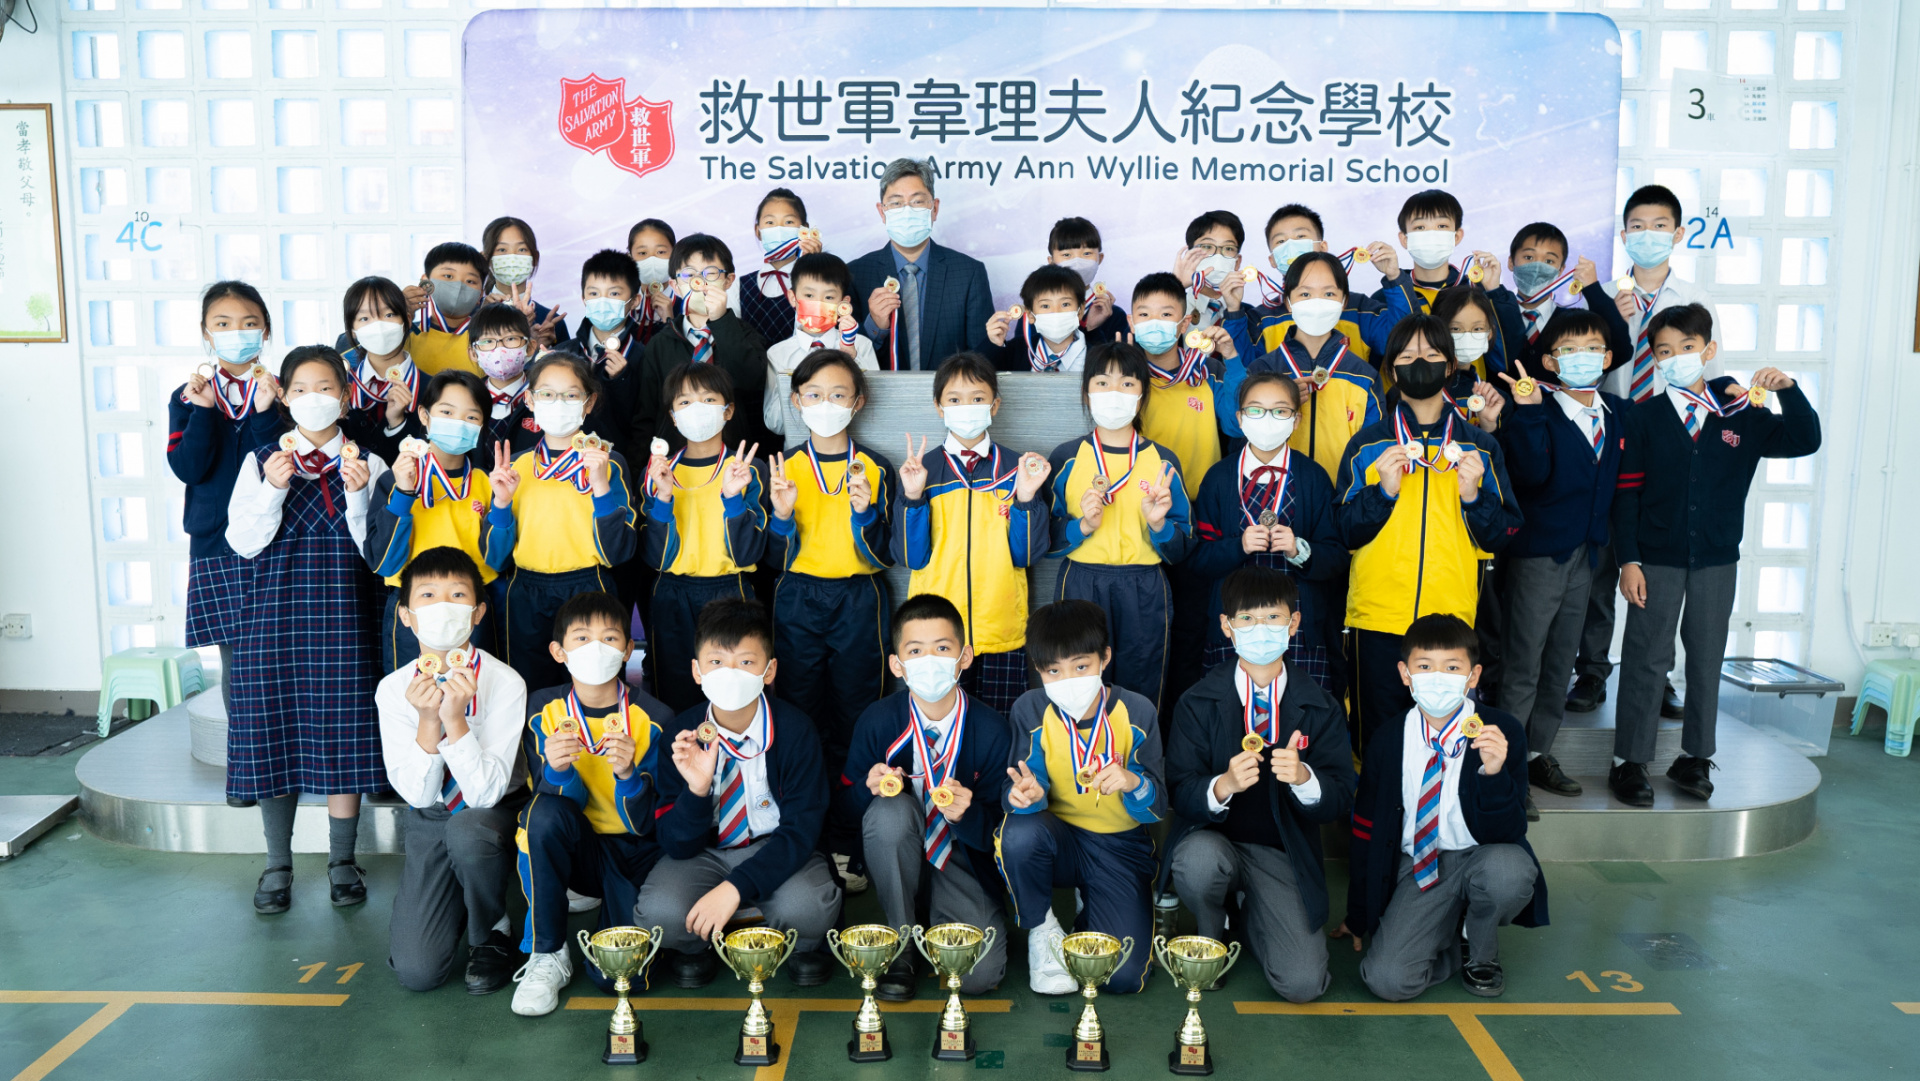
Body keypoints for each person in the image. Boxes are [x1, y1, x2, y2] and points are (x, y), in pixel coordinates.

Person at [1607, 304, 1821, 806]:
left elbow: (1804, 440)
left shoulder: (1742, 413)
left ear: (1708, 350)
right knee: (1646, 658)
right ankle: (1628, 762)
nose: (1676, 357)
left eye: (1687, 347)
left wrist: (1788, 390)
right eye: (1664, 351)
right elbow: (1627, 494)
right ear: (1654, 359)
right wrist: (1628, 560)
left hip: (1718, 560)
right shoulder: (1643, 417)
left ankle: (1695, 758)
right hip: (1655, 560)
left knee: (1706, 657)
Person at [224, 345, 388, 914]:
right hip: (274, 619)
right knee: (276, 732)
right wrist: (273, 488)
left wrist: (360, 495)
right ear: (284, 397)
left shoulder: (371, 463)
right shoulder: (262, 460)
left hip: (346, 616)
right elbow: (242, 542)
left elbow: (380, 555)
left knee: (344, 732)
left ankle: (342, 859)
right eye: (300, 389)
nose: (312, 398)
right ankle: (278, 863)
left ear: (344, 398)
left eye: (325, 388)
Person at [1164, 566, 1356, 1002]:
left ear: (1294, 623)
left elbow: (1341, 795)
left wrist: (1306, 779)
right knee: (1197, 862)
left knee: (1303, 984)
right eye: (1247, 619)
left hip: (1281, 852)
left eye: (1273, 618)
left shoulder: (1321, 705)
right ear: (1226, 626)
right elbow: (1179, 788)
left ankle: (1250, 917)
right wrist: (1223, 785)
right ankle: (1213, 928)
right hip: (1213, 842)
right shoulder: (1197, 701)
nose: (1261, 629)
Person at [1335, 315, 1522, 749]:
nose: (1420, 362)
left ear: (1451, 366)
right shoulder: (1366, 446)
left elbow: (1504, 534)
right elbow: (1343, 530)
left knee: (1446, 739)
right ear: (1391, 369)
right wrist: (1382, 493)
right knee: (1375, 741)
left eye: (1432, 354)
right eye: (1407, 356)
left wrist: (1473, 497)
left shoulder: (1480, 446)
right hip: (1377, 618)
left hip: (1451, 623)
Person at [638, 598, 843, 989]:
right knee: (660, 914)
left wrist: (734, 887)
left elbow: (802, 831)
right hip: (704, 854)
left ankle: (796, 942)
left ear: (769, 670)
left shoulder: (796, 730)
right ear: (697, 671)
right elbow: (675, 844)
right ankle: (697, 946)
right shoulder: (681, 734)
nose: (730, 673)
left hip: (775, 847)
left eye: (746, 662)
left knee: (809, 909)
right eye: (716, 662)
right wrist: (697, 790)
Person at [1340, 614, 1546, 1001]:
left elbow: (1509, 831)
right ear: (1405, 674)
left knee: (1508, 871)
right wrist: (1358, 914)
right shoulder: (1388, 739)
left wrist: (1493, 773)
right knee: (1387, 980)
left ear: (1473, 675)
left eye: (1452, 668)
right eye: (1424, 666)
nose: (1437, 678)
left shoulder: (1502, 731)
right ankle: (1449, 938)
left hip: (1481, 855)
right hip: (1420, 864)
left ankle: (1479, 944)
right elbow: (1365, 828)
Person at [1570, 185, 1719, 718]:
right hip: (1609, 437)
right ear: (1624, 234)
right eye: (1637, 226)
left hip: (1667, 442)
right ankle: (1592, 670)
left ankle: (1658, 677)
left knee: (1660, 564)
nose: (1648, 234)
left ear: (1677, 234)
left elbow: (1708, 378)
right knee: (1601, 558)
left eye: (1659, 226)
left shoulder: (1695, 300)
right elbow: (1583, 366)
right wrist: (1615, 318)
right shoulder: (1605, 294)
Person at [512, 591, 673, 1015]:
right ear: (558, 651)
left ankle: (615, 911)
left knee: (619, 978)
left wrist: (628, 777)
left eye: (609, 638)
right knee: (540, 814)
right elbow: (551, 808)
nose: (596, 648)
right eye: (582, 638)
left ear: (628, 649)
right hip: (579, 849)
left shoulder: (656, 717)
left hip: (636, 852)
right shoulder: (541, 710)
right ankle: (547, 952)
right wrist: (559, 772)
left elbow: (648, 823)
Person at [765, 349, 894, 878]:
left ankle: (851, 834)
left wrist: (865, 513)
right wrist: (781, 516)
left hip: (859, 599)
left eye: (838, 394)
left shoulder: (876, 467)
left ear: (857, 402)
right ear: (796, 401)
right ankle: (805, 833)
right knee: (800, 715)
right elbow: (771, 558)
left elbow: (886, 555)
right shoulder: (782, 468)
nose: (826, 404)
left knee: (857, 716)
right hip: (798, 597)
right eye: (814, 394)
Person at [845, 594, 1012, 1000]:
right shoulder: (877, 721)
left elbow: (1003, 829)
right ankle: (902, 945)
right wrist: (868, 791)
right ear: (896, 664)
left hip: (960, 858)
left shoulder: (992, 729)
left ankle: (939, 910)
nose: (929, 661)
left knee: (978, 975)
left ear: (964, 656)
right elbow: (845, 814)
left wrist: (969, 814)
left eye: (942, 648)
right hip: (897, 852)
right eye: (915, 651)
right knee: (889, 812)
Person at [1491, 312, 1626, 816]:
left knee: (1560, 663)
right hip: (1538, 556)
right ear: (1549, 362)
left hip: (1586, 557)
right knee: (1523, 665)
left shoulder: (1618, 412)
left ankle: (1537, 753)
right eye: (1569, 349)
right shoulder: (1537, 409)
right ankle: (1506, 769)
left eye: (1592, 347)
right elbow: (1529, 476)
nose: (1582, 356)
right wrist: (1527, 413)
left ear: (1608, 357)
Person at [376, 546, 527, 995]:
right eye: (427, 595)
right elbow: (418, 796)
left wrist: (455, 721)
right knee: (417, 972)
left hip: (491, 814)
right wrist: (429, 722)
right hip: (431, 815)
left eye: (458, 595)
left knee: (468, 832)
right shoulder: (393, 689)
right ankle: (454, 899)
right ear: (405, 616)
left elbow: (484, 795)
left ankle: (491, 929)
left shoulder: (505, 682)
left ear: (477, 612)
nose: (443, 606)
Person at [998, 600, 1166, 995]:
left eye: (1081, 666)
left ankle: (1090, 908)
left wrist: (1133, 782)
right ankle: (1043, 930)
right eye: (1053, 671)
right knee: (1018, 833)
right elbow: (1016, 789)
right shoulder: (1030, 709)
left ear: (1105, 658)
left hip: (1119, 846)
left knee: (1121, 977)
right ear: (1038, 669)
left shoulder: (1137, 711)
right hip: (1058, 842)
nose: (1068, 679)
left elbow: (1157, 807)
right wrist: (1027, 795)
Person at [892, 353, 1052, 715]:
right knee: (942, 723)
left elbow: (1027, 556)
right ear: (938, 407)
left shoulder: (1016, 468)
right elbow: (910, 557)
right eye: (954, 399)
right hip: (936, 636)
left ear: (995, 405)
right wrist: (913, 497)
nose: (966, 407)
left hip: (1001, 627)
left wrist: (1026, 498)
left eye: (978, 398)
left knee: (1001, 723)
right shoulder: (921, 470)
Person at [1044, 341, 1192, 709]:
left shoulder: (1163, 461)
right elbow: (1043, 538)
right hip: (1081, 581)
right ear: (1087, 392)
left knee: (1141, 686)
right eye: (1102, 383)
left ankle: (1137, 748)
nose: (1114, 394)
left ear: (1142, 395)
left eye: (1127, 384)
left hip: (1144, 586)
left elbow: (1183, 547)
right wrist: (1082, 526)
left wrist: (1159, 526)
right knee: (1078, 683)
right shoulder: (1066, 457)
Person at [481, 353, 639, 692]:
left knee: (596, 688)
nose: (558, 402)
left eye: (570, 394)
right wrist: (502, 503)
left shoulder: (608, 463)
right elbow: (495, 558)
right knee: (529, 689)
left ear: (588, 402)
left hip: (589, 588)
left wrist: (600, 487)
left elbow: (618, 552)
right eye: (547, 394)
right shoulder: (515, 468)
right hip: (526, 592)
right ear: (530, 400)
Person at [1187, 373, 1347, 694]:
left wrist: (1300, 550)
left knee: (1303, 711)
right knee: (1230, 711)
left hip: (1296, 625)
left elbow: (1337, 557)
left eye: (1280, 411)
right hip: (1234, 622)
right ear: (1240, 418)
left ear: (1296, 420)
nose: (1267, 419)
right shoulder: (1219, 478)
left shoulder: (1313, 477)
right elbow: (1197, 558)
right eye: (1256, 410)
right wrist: (1239, 546)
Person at [170, 281, 281, 720]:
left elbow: (279, 462)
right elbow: (189, 469)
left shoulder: (283, 391)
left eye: (249, 323)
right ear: (206, 332)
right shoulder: (188, 396)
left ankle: (283, 748)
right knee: (235, 656)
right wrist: (203, 411)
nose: (237, 332)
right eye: (223, 323)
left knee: (279, 647)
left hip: (274, 535)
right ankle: (244, 751)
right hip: (215, 541)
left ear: (265, 330)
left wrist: (266, 412)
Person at [642, 363, 768, 712]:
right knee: (675, 691)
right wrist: (663, 497)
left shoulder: (747, 470)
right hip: (672, 593)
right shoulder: (658, 471)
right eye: (684, 402)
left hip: (732, 590)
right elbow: (656, 557)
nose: (696, 409)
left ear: (728, 410)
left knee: (734, 691)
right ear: (673, 416)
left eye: (708, 399)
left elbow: (748, 554)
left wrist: (733, 498)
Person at [364, 370, 501, 671]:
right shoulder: (395, 480)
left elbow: (499, 560)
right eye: (447, 412)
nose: (458, 423)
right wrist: (404, 493)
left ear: (481, 426)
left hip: (471, 608)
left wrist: (502, 505)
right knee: (413, 693)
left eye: (471, 416)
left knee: (477, 693)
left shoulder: (487, 483)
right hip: (414, 609)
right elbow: (383, 562)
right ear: (424, 416)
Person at [1245, 252, 1385, 484]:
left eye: (1329, 294)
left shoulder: (1364, 375)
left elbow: (1374, 449)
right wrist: (1280, 404)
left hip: (1345, 497)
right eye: (1305, 294)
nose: (1317, 302)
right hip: (1279, 494)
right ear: (1288, 302)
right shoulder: (1262, 370)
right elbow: (1243, 438)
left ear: (1344, 301)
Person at [633, 234, 774, 458]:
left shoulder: (746, 335)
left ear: (728, 281)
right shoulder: (659, 344)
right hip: (675, 457)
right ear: (675, 286)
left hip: (735, 456)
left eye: (710, 273)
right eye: (689, 274)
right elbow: (647, 414)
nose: (699, 282)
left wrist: (721, 321)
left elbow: (751, 381)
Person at [848, 158, 994, 370]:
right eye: (896, 203)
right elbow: (845, 359)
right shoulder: (855, 274)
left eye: (917, 201)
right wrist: (875, 325)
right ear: (882, 212)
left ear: (934, 209)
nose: (907, 211)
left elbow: (982, 357)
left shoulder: (969, 273)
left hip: (948, 390)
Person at [1127, 271, 1248, 497]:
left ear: (1184, 324)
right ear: (1131, 323)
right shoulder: (1127, 376)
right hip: (1144, 498)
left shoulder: (1207, 370)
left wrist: (1231, 358)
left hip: (1202, 497)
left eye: (1165, 314)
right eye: (1144, 314)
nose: (1154, 322)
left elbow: (1235, 425)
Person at [1484, 221, 1632, 372]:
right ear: (1511, 262)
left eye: (1549, 261)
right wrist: (1490, 291)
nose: (1537, 267)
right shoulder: (1490, 313)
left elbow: (1620, 352)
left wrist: (1593, 289)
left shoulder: (1572, 323)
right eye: (1528, 257)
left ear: (1560, 270)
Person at [762, 252, 878, 439]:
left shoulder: (860, 345)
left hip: (853, 447)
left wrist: (850, 357)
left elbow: (874, 412)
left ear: (844, 304)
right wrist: (802, 382)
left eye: (829, 297)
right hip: (799, 451)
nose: (818, 304)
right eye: (809, 295)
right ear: (793, 297)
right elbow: (774, 423)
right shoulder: (778, 354)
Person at [338, 275, 418, 466]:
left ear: (407, 320)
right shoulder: (339, 388)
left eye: (389, 315)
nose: (378, 326)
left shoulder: (433, 388)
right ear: (353, 331)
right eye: (364, 318)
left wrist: (397, 423)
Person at [738, 187, 824, 346]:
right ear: (758, 231)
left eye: (789, 222)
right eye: (770, 222)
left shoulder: (822, 279)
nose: (778, 229)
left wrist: (814, 270)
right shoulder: (738, 286)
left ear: (804, 229)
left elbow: (822, 333)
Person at [984, 263, 1094, 373]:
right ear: (1030, 315)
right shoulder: (1015, 351)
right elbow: (979, 373)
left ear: (1080, 311)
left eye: (1065, 304)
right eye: (1045, 306)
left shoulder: (1098, 357)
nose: (1055, 312)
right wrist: (994, 343)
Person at [480, 215, 568, 349]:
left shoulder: (550, 323)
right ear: (486, 259)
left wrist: (538, 349)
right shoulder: (471, 313)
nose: (512, 257)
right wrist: (481, 318)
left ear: (535, 258)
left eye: (522, 249)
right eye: (502, 250)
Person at [404, 241, 490, 376]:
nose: (459, 286)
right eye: (448, 276)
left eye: (470, 281)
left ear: (480, 294)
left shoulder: (489, 339)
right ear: (426, 283)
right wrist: (398, 313)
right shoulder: (406, 334)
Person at [1046, 216, 1128, 343]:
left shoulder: (1114, 315)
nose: (1077, 262)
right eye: (1067, 255)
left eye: (1087, 254)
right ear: (1051, 262)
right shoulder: (1037, 313)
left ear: (1100, 259)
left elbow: (1117, 356)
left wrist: (1093, 329)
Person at [626, 217, 678, 347]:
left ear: (675, 255)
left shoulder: (687, 308)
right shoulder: (622, 307)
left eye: (660, 252)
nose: (652, 259)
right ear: (629, 258)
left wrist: (669, 321)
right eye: (642, 253)